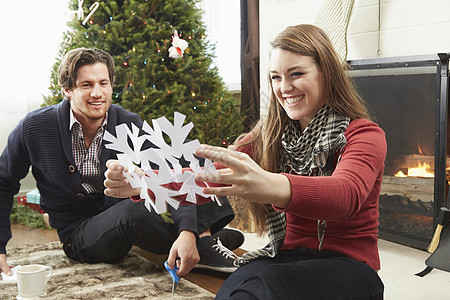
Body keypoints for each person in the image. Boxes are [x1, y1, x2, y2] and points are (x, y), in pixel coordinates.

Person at [0, 47, 244, 279]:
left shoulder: (128, 123)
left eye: (103, 83)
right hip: (80, 234)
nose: (97, 93)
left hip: (126, 215)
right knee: (133, 212)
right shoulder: (34, 127)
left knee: (193, 159)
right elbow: (3, 182)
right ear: (67, 89)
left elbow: (171, 172)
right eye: (87, 85)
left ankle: (200, 239)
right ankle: (206, 241)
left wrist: (187, 231)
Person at [192, 24, 386, 299]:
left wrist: (269, 184)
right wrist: (146, 181)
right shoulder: (269, 135)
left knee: (265, 282)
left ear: (327, 74)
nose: (284, 88)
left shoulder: (364, 134)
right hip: (286, 255)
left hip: (352, 269)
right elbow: (212, 175)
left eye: (296, 74)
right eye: (275, 77)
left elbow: (345, 194)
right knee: (240, 288)